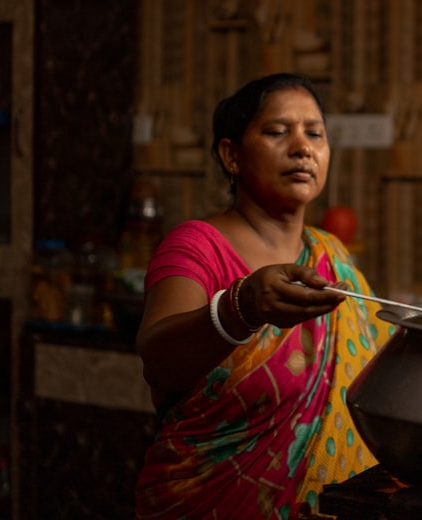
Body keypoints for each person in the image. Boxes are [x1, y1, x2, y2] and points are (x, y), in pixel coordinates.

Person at [134, 73, 389, 519]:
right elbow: (157, 360)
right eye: (276, 131)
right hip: (210, 499)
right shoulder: (196, 246)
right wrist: (240, 308)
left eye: (315, 133)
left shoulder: (332, 256)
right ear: (231, 155)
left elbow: (380, 365)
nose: (301, 147)